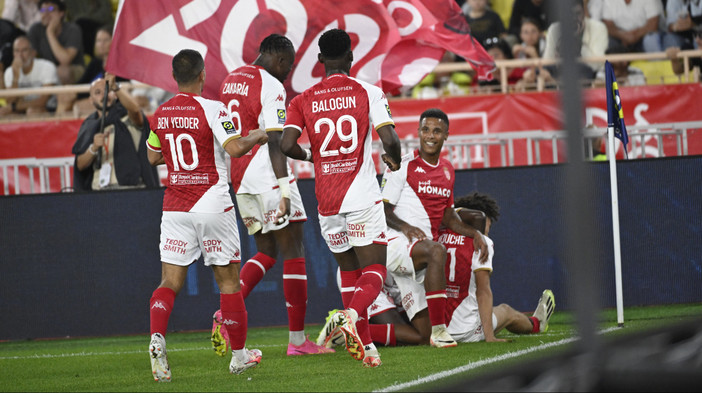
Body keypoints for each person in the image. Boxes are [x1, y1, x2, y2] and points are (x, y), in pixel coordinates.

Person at [280, 28, 402, 368]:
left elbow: (286, 145)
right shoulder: (368, 92)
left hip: (327, 200)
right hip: (361, 194)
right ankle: (349, 315)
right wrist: (396, 157)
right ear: (351, 57)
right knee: (375, 268)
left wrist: (312, 158)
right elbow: (389, 138)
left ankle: (368, 349)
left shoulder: (301, 100)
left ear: (320, 60)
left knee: (349, 272)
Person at [145, 48, 269, 381]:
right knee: (228, 282)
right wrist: (258, 134)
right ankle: (240, 356)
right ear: (203, 75)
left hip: (175, 206)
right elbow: (235, 148)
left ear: (174, 77)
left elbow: (153, 156)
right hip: (212, 202)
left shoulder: (161, 113)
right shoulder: (214, 109)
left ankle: (157, 338)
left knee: (169, 281)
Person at [210, 34, 334, 357]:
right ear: (279, 59)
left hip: (239, 177)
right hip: (266, 174)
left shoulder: (231, 79)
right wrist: (284, 189)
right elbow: (276, 141)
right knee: (293, 249)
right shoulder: (272, 85)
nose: (287, 73)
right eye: (288, 67)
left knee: (266, 250)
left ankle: (226, 313)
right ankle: (297, 342)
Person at [379, 108, 488, 347]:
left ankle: (350, 330)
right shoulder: (401, 165)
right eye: (426, 129)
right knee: (437, 250)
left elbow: (448, 218)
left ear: (446, 135)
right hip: (395, 244)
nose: (430, 135)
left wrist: (475, 233)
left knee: (421, 335)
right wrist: (405, 227)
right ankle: (441, 332)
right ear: (418, 132)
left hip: (420, 255)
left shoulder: (448, 170)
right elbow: (382, 210)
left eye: (437, 131)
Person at [438, 192, 555, 343]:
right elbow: (483, 292)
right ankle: (537, 324)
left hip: (435, 330)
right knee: (505, 311)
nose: (488, 229)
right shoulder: (482, 243)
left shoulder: (436, 236)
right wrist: (489, 337)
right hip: (465, 332)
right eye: (488, 223)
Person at [71, 72, 158, 191]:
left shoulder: (127, 117)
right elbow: (80, 165)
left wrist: (116, 86)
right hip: (99, 191)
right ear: (91, 100)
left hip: (130, 189)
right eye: (97, 92)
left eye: (108, 90)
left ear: (116, 95)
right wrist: (93, 148)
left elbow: (136, 110)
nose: (104, 95)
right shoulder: (89, 125)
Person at [27, 0, 84, 85]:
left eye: (50, 9)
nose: (46, 14)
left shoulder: (73, 30)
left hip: (72, 68)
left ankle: (66, 98)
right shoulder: (35, 29)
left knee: (62, 71)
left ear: (61, 13)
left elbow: (65, 60)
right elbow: (29, 57)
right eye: (43, 10)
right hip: (47, 69)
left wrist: (50, 32)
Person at [1, 34, 57, 116]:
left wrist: (14, 107)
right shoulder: (10, 72)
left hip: (49, 109)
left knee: (32, 112)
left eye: (24, 50)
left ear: (33, 53)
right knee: (2, 113)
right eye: (17, 51)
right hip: (22, 110)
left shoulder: (47, 67)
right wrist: (15, 77)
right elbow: (10, 101)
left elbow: (42, 101)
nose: (20, 55)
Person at [601, 0, 666, 53]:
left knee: (651, 39)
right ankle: (614, 68)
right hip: (621, 37)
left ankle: (656, 67)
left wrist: (634, 36)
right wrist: (624, 36)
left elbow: (653, 25)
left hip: (643, 35)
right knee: (609, 41)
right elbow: (608, 25)